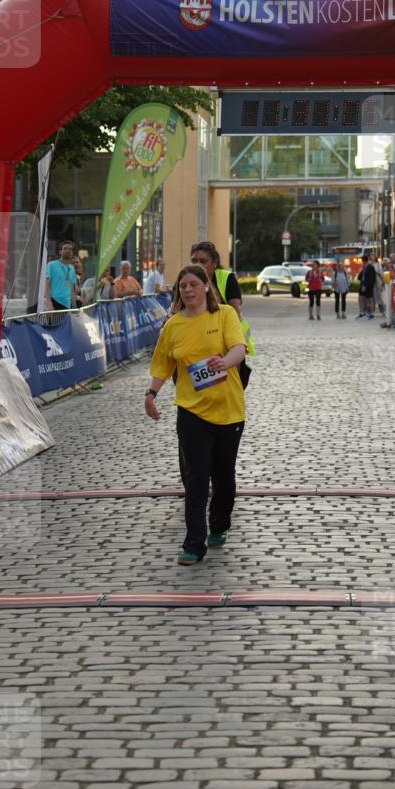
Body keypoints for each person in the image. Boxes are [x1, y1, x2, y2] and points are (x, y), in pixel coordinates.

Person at [145, 264, 247, 566]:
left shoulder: (225, 314)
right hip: (191, 411)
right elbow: (162, 364)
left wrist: (225, 362)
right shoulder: (173, 326)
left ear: (205, 287)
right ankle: (193, 543)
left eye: (193, 284)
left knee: (224, 477)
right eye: (182, 286)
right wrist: (151, 394)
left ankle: (219, 525)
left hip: (228, 410)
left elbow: (239, 348)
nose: (187, 290)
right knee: (196, 479)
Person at [190, 240, 255, 366]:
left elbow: (235, 312)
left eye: (203, 261)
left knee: (229, 384)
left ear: (214, 263)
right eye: (194, 261)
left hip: (228, 344)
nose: (198, 265)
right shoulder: (184, 280)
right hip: (196, 345)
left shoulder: (226, 278)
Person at [45, 240, 78, 310]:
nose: (68, 250)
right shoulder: (52, 265)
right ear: (60, 251)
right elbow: (47, 286)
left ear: (72, 253)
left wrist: (75, 307)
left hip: (67, 304)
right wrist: (49, 304)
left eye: (70, 249)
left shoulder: (71, 268)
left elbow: (71, 289)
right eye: (65, 248)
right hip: (54, 302)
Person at [357, 255, 377, 319]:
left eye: (362, 261)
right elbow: (361, 276)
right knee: (360, 298)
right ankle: (362, 312)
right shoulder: (364, 267)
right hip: (362, 284)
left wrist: (366, 286)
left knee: (370, 299)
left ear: (364, 261)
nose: (362, 262)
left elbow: (371, 278)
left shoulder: (370, 267)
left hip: (368, 286)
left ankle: (371, 313)